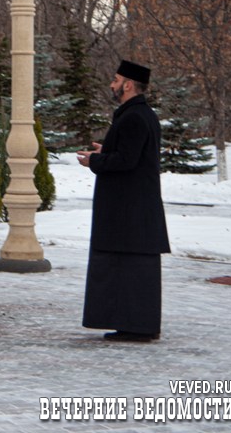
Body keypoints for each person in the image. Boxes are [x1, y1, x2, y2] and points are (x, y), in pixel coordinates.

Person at [77, 60, 170, 342]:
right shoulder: (141, 115)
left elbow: (127, 161)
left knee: (127, 270)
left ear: (128, 84)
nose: (112, 84)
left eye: (116, 80)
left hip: (128, 212)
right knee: (132, 272)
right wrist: (107, 150)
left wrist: (96, 160)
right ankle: (136, 325)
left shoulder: (133, 117)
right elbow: (135, 155)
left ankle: (135, 327)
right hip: (134, 212)